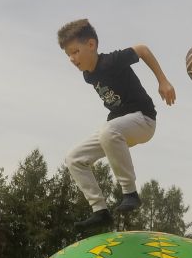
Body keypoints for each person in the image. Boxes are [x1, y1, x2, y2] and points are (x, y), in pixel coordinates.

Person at [58, 18, 176, 230]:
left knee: (108, 131)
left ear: (91, 45)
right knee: (74, 158)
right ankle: (100, 211)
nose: (72, 59)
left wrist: (163, 81)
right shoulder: (88, 75)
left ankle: (130, 193)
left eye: (75, 52)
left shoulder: (111, 61)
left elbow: (142, 49)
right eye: (68, 55)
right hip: (118, 130)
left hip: (144, 120)